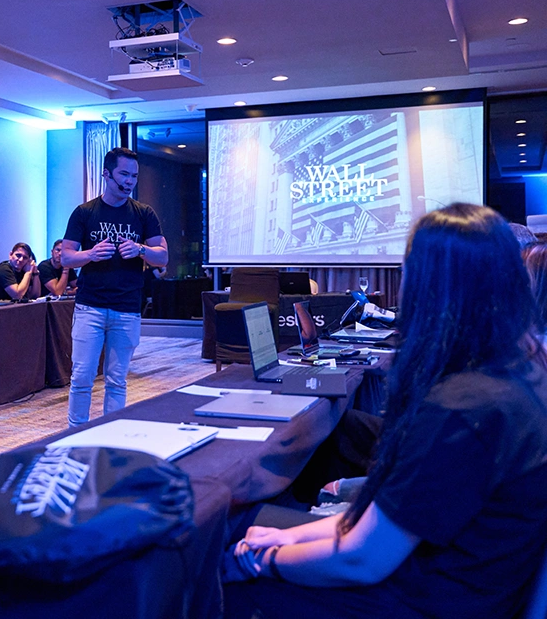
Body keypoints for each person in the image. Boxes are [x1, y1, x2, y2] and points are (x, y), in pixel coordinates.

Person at [224, 204, 547, 619]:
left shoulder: (462, 409)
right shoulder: (519, 374)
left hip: (422, 598)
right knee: (255, 526)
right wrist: (289, 539)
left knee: (219, 570)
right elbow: (385, 524)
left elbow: (363, 560)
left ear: (429, 289)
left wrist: (264, 560)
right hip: (461, 583)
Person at [61, 147, 167, 427]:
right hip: (90, 308)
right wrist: (91, 254)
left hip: (127, 308)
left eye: (134, 176)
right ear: (106, 174)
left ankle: (111, 435)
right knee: (82, 377)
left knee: (117, 380)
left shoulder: (144, 214)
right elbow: (66, 257)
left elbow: (163, 256)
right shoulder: (85, 212)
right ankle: (75, 435)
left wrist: (141, 249)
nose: (130, 181)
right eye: (124, 174)